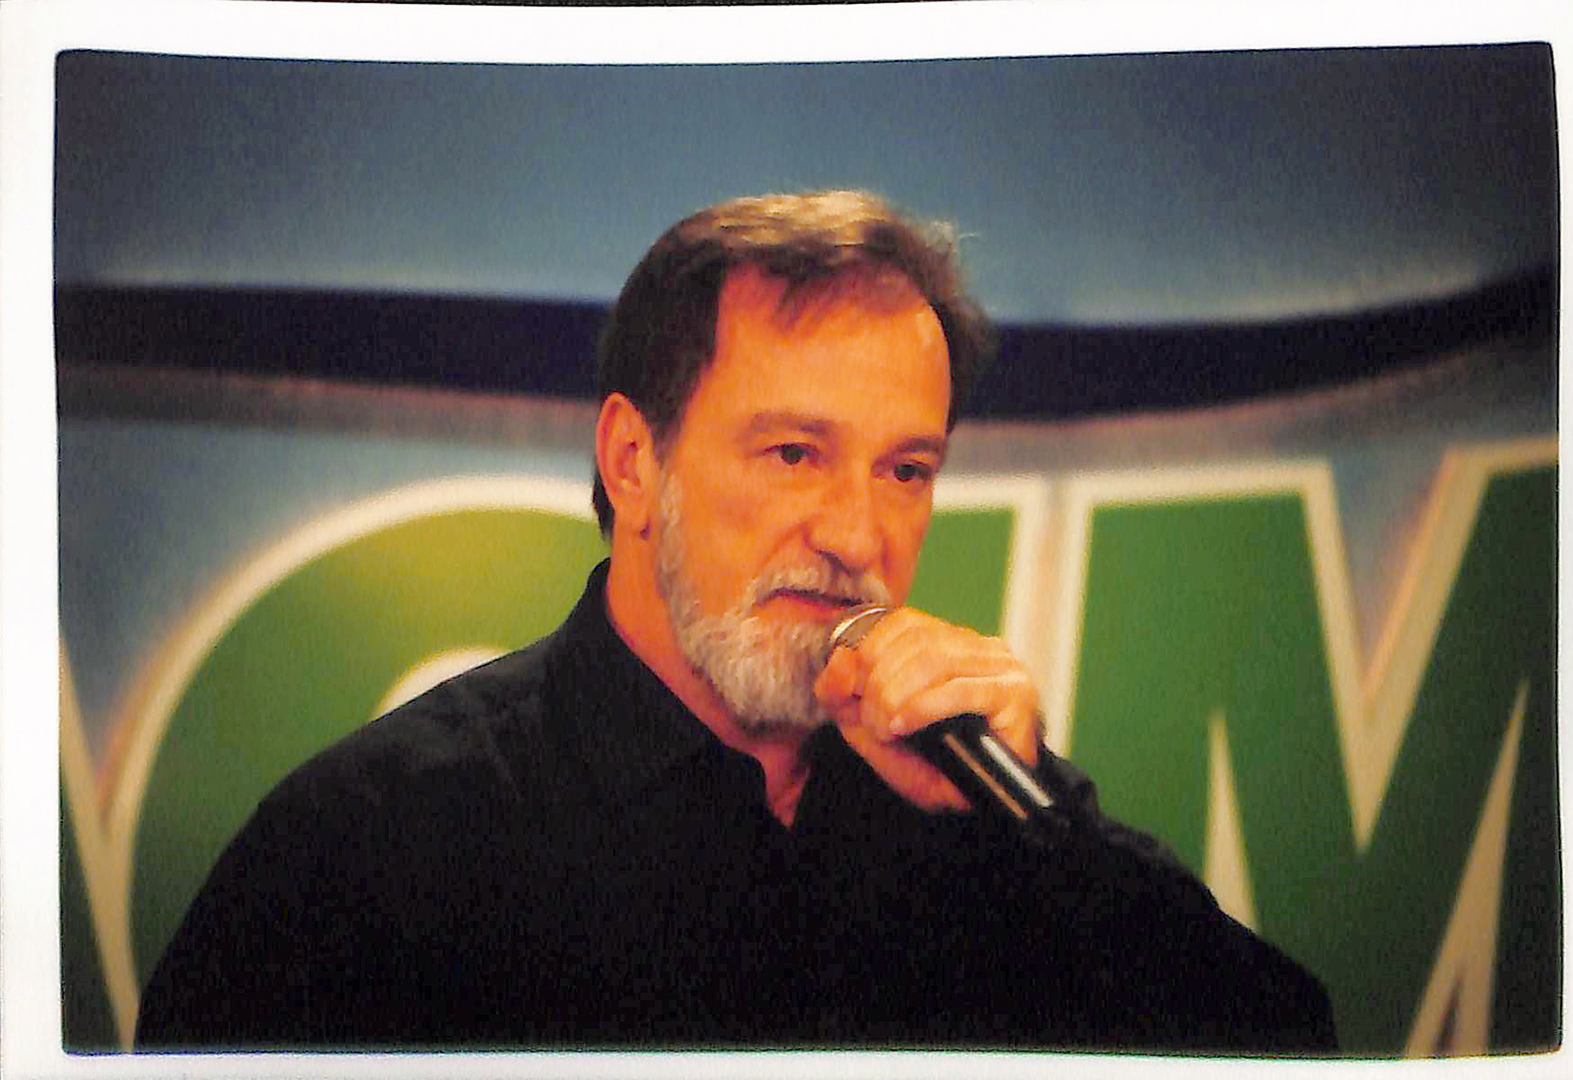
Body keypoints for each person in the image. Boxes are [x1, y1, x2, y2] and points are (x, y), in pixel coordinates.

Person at [136, 190, 1336, 1053]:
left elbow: (1290, 1045)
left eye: (905, 470)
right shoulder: (366, 850)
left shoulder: (979, 812)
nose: (858, 535)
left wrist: (1043, 832)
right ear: (632, 461)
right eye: (793, 451)